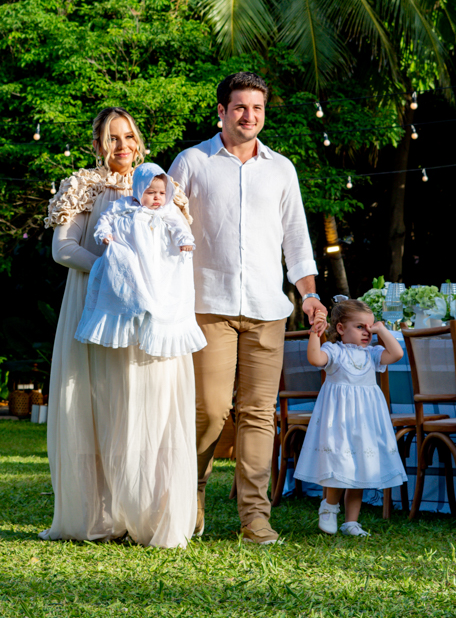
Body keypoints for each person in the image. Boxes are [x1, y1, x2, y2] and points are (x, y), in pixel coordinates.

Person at [169, 72, 326, 544]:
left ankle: (255, 518)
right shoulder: (191, 163)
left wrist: (309, 293)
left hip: (267, 309)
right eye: (240, 107)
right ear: (221, 111)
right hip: (207, 306)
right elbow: (164, 229)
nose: (249, 116)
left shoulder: (282, 169)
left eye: (256, 108)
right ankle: (189, 494)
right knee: (210, 410)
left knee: (259, 414)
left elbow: (297, 241)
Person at [42, 107, 197, 548]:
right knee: (99, 404)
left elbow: (179, 246)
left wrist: (152, 287)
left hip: (152, 312)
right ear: (97, 145)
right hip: (98, 306)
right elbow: (63, 248)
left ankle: (150, 517)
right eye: (112, 138)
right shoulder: (83, 186)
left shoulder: (161, 187)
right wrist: (114, 273)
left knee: (148, 405)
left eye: (129, 136)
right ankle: (99, 517)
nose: (123, 146)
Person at [293, 299, 407, 536]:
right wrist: (316, 332)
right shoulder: (335, 352)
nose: (367, 333)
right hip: (339, 421)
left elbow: (397, 353)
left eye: (369, 327)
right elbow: (315, 359)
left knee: (360, 469)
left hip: (365, 422)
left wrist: (382, 329)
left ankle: (351, 522)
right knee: (339, 465)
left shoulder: (373, 354)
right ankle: (329, 507)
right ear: (341, 329)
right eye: (360, 327)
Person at [75, 163, 205, 358]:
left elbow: (179, 226)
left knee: (159, 288)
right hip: (130, 255)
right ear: (138, 190)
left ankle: (153, 319)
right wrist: (104, 233)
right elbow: (105, 218)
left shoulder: (167, 210)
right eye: (151, 192)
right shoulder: (123, 205)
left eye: (161, 193)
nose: (157, 198)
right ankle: (129, 315)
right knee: (127, 279)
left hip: (156, 259)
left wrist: (184, 240)